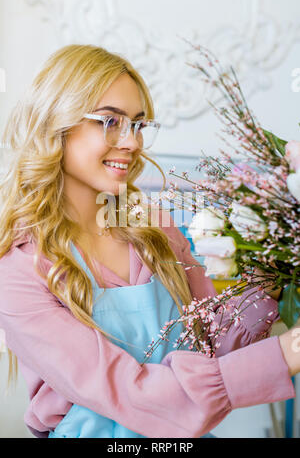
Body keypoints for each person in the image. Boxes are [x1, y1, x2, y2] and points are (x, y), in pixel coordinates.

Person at [0, 44, 296, 439]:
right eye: (110, 122)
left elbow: (210, 347)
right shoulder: (19, 270)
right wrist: (288, 353)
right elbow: (131, 391)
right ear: (58, 122)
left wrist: (274, 267)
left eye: (138, 125)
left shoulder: (152, 229)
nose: (133, 142)